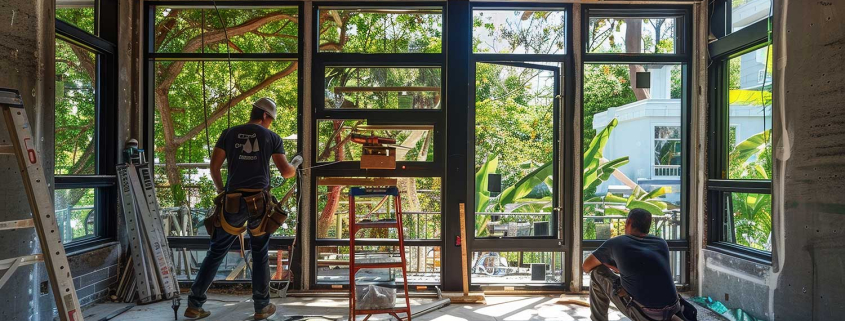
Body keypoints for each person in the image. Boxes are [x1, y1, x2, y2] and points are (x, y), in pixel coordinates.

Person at [184, 98, 303, 320]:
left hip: (232, 202)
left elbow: (214, 166)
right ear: (266, 116)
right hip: (259, 203)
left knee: (216, 251)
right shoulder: (271, 137)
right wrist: (296, 162)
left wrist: (223, 191)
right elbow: (286, 172)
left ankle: (194, 304)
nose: (270, 124)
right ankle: (261, 307)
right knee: (259, 253)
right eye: (271, 120)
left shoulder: (229, 133)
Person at [582, 208, 682, 321]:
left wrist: (608, 265)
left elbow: (586, 267)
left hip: (646, 315)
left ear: (628, 222)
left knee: (597, 273)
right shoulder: (661, 243)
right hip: (674, 309)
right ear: (649, 225)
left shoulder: (617, 242)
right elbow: (646, 269)